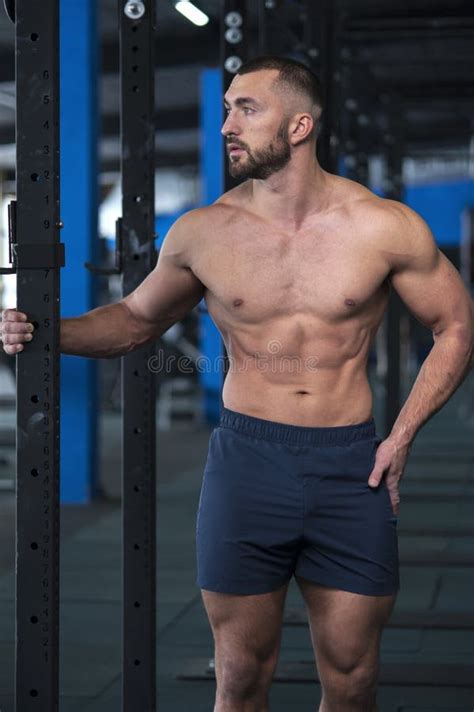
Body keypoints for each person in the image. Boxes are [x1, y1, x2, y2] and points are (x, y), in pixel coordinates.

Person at [1, 55, 472, 712]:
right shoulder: (203, 233)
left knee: (353, 677)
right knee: (242, 676)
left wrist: (402, 435)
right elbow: (136, 320)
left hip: (351, 468)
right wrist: (47, 331)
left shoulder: (384, 227)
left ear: (301, 124)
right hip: (249, 465)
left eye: (246, 108)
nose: (228, 124)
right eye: (226, 108)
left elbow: (454, 325)